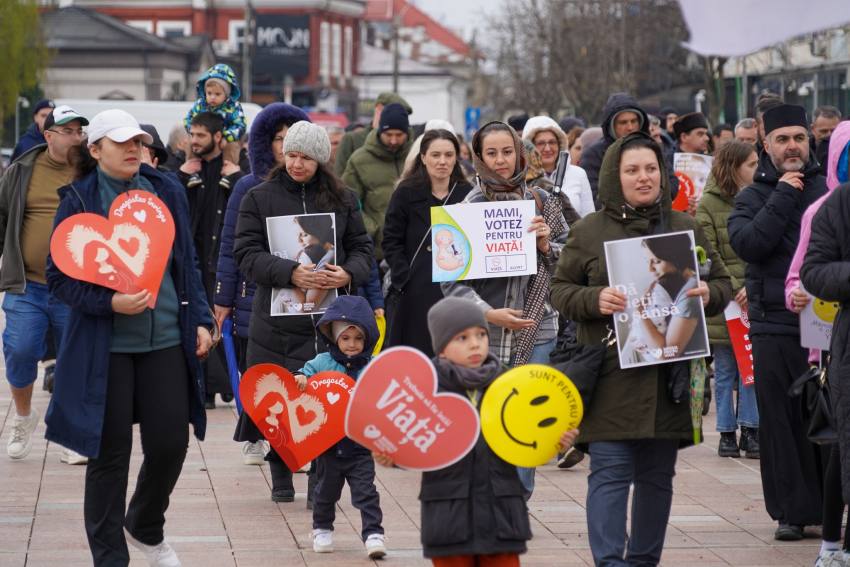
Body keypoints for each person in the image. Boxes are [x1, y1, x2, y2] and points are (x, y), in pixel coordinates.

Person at [550, 131, 731, 566]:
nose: (643, 177)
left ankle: (643, 561)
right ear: (615, 175)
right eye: (632, 170)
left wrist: (709, 293)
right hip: (610, 375)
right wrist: (596, 300)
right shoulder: (589, 231)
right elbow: (560, 290)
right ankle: (611, 562)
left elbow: (723, 282)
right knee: (610, 474)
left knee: (657, 478)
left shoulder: (684, 226)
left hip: (669, 378)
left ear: (662, 174)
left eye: (651, 168)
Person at [45, 109, 214, 566]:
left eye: (138, 141)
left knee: (169, 444)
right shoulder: (78, 200)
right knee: (109, 457)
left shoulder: (165, 190)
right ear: (96, 149)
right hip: (107, 348)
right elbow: (58, 279)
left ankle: (143, 522)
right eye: (122, 143)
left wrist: (201, 319)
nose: (134, 149)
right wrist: (109, 304)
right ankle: (110, 558)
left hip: (164, 340)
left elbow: (188, 264)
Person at [375, 296, 578, 567]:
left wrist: (556, 441)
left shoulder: (509, 385)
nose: (475, 343)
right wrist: (395, 457)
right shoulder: (425, 390)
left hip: (501, 511)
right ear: (442, 348)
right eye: (462, 337)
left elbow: (530, 439)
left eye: (481, 334)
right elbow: (414, 442)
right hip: (448, 514)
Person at [234, 120, 373, 503]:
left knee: (320, 399)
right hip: (275, 320)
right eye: (292, 155)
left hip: (328, 321)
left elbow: (362, 249)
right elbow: (245, 254)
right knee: (278, 397)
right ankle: (281, 475)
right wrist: (288, 271)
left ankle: (318, 481)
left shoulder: (343, 199)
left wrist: (346, 272)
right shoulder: (258, 198)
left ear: (321, 160)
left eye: (307, 158)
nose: (297, 164)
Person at [442, 121, 568, 497]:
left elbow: (573, 270)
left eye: (507, 151)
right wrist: (485, 312)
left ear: (519, 153)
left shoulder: (545, 202)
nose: (500, 161)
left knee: (528, 420)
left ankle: (517, 499)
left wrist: (548, 246)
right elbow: (451, 281)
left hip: (537, 327)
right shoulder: (466, 209)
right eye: (491, 153)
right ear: (478, 158)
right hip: (485, 333)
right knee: (488, 419)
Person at [727, 104, 827, 541]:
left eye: (799, 138)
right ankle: (790, 511)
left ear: (811, 142)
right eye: (783, 139)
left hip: (823, 327)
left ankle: (828, 503)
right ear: (765, 145)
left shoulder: (829, 190)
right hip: (772, 325)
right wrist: (785, 194)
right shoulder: (753, 196)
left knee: (822, 419)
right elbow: (750, 244)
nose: (792, 147)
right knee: (781, 422)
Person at [215, 102, 312, 461]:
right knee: (255, 366)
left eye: (294, 140)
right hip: (253, 290)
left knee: (299, 366)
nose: (286, 148)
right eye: (279, 139)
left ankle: (294, 436)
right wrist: (224, 297)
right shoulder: (247, 187)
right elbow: (230, 244)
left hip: (303, 291)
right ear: (265, 143)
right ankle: (255, 431)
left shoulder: (315, 189)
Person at [0, 105, 89, 465]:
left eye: (79, 131)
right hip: (27, 285)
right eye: (68, 131)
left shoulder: (90, 172)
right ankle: (23, 417)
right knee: (20, 351)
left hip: (74, 287)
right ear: (49, 136)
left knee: (73, 359)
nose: (76, 137)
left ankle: (70, 432)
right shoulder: (21, 170)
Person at [787, 121, 850, 567]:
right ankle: (835, 544)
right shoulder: (837, 206)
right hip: (841, 348)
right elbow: (812, 271)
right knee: (841, 450)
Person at [291, 295, 386, 558]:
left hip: (360, 447)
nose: (352, 344)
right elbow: (305, 374)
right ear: (334, 337)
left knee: (367, 493)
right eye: (345, 338)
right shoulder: (322, 362)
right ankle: (322, 529)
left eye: (358, 338)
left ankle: (374, 534)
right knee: (324, 492)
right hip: (328, 447)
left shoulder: (371, 366)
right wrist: (300, 378)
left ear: (367, 339)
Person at [695, 141, 760, 458]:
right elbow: (709, 251)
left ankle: (750, 428)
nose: (757, 169)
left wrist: (752, 285)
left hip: (751, 295)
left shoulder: (760, 196)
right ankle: (725, 432)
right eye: (750, 164)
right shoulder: (707, 203)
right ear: (733, 167)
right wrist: (735, 287)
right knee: (724, 370)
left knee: (750, 366)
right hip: (724, 299)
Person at [382, 129, 472, 357]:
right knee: (416, 357)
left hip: (456, 290)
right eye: (435, 155)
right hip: (415, 292)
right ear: (423, 157)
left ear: (457, 158)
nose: (442, 161)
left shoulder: (468, 194)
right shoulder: (406, 193)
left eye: (449, 155)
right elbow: (391, 241)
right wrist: (404, 278)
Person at [178, 111, 244, 407]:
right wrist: (182, 175)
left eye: (201, 135)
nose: (194, 141)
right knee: (199, 316)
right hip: (194, 258)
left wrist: (235, 178)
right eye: (192, 134)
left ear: (218, 137)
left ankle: (225, 383)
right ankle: (204, 388)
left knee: (222, 317)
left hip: (222, 259)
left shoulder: (233, 173)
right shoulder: (185, 170)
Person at [342, 103, 413, 261]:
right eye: (388, 134)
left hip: (413, 248)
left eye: (399, 135)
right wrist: (372, 229)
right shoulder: (359, 160)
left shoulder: (417, 157)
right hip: (375, 252)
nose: (393, 140)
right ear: (380, 131)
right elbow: (347, 201)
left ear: (407, 133)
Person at [581, 93, 678, 206]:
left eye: (634, 121)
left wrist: (649, 200)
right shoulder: (594, 154)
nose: (630, 127)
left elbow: (672, 184)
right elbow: (592, 195)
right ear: (611, 125)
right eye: (623, 122)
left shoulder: (652, 149)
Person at [521, 116, 595, 217]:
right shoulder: (521, 179)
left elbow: (589, 217)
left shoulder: (578, 174)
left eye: (552, 142)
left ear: (560, 144)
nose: (547, 148)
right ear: (530, 147)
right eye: (540, 143)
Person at [334, 92, 412, 176]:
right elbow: (340, 177)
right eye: (392, 110)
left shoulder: (408, 144)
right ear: (379, 108)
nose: (393, 141)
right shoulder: (353, 139)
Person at [183, 63, 246, 165]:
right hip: (204, 138)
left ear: (226, 95)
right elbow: (189, 118)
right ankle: (192, 169)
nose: (212, 97)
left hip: (225, 139)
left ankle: (228, 170)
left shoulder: (233, 107)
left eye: (217, 94)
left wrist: (226, 136)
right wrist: (192, 131)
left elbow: (240, 125)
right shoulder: (200, 104)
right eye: (209, 93)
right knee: (191, 143)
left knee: (232, 146)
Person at [810, 105, 842, 172]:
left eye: (833, 131)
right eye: (824, 131)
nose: (829, 135)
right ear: (812, 129)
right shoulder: (804, 152)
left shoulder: (846, 153)